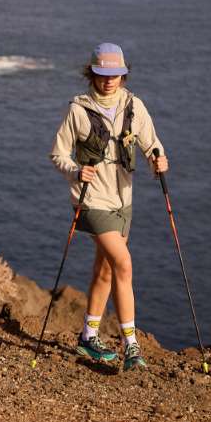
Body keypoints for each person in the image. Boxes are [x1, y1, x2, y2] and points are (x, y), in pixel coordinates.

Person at [50, 42, 168, 371]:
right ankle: (131, 345)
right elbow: (57, 153)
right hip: (91, 200)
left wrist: (157, 159)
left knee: (104, 269)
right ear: (93, 73)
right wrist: (75, 170)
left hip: (123, 201)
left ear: (123, 75)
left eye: (115, 74)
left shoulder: (134, 106)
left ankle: (88, 337)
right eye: (103, 74)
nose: (109, 80)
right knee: (124, 264)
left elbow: (151, 143)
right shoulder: (78, 109)